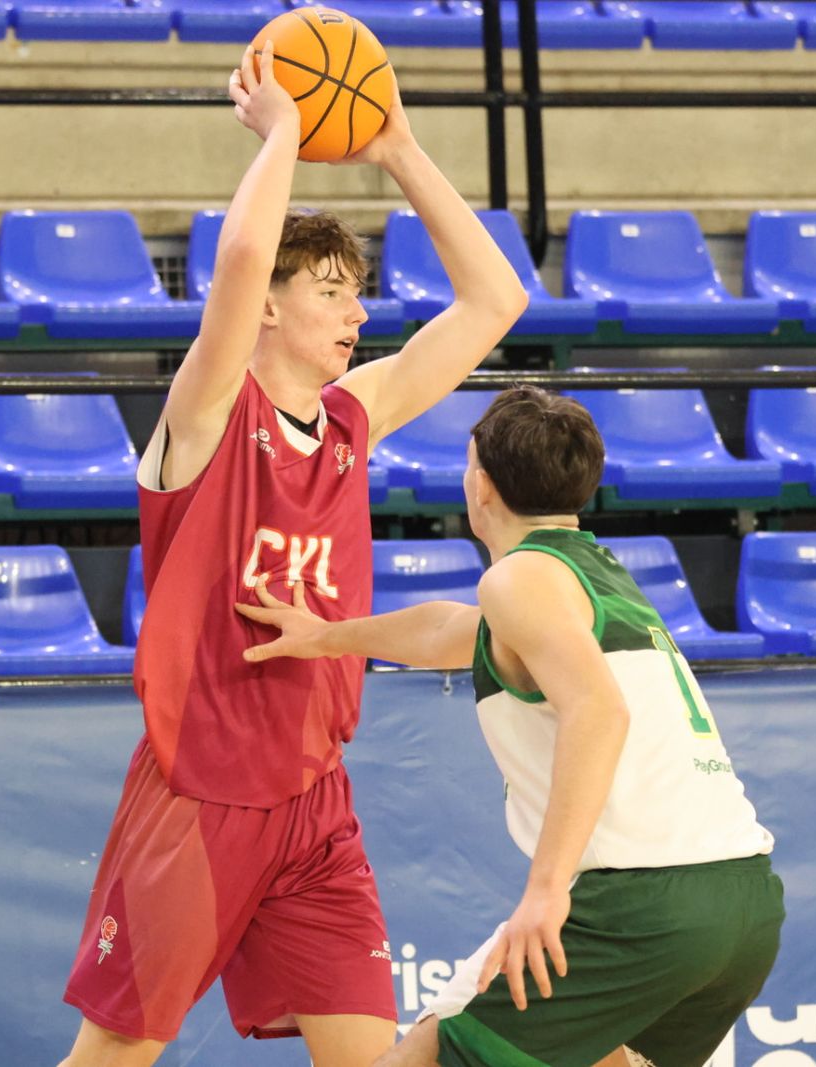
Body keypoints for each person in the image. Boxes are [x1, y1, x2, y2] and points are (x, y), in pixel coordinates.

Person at [55, 39, 529, 1067]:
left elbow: (497, 302)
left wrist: (397, 149)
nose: (358, 312)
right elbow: (237, 262)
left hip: (315, 802)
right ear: (269, 306)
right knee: (114, 1056)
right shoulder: (205, 415)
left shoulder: (353, 416)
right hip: (201, 792)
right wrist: (284, 132)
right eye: (329, 290)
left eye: (358, 293)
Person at [236, 387, 784, 1067]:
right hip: (742, 900)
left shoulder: (519, 579)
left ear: (482, 486)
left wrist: (545, 890)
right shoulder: (589, 573)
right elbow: (448, 630)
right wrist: (326, 636)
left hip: (642, 904)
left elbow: (599, 711)